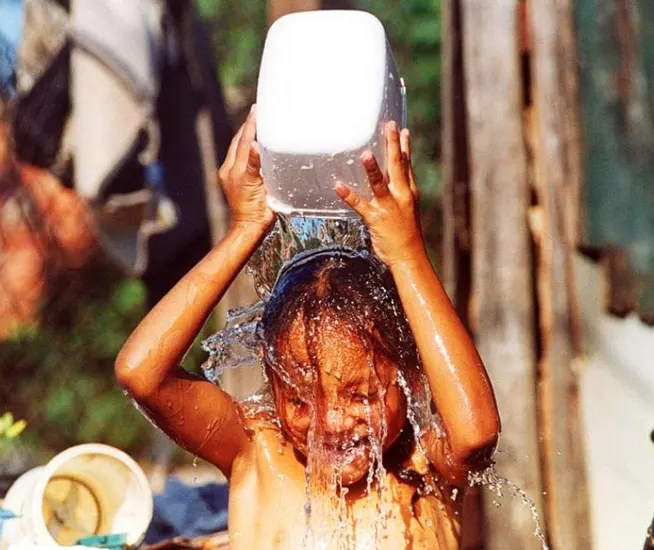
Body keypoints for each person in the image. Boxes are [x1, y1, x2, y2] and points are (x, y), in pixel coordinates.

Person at [116, 112, 502, 549]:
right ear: (272, 375)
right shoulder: (258, 452)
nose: (330, 423)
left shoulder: (426, 469)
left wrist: (407, 253)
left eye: (361, 395)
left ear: (410, 375)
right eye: (300, 398)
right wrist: (244, 230)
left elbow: (475, 435)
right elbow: (141, 373)